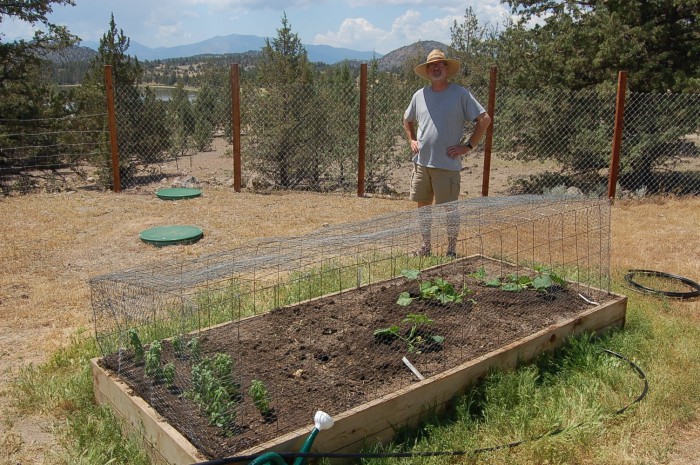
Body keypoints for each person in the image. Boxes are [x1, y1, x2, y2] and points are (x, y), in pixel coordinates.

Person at [402, 49, 491, 258]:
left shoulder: (460, 94)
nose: (436, 68)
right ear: (427, 70)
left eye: (440, 64)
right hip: (422, 164)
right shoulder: (419, 95)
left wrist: (467, 146)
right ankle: (426, 247)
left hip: (447, 165)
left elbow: (484, 119)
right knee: (423, 207)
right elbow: (407, 119)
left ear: (447, 69)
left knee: (449, 209)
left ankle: (451, 250)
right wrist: (411, 140)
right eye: (432, 65)